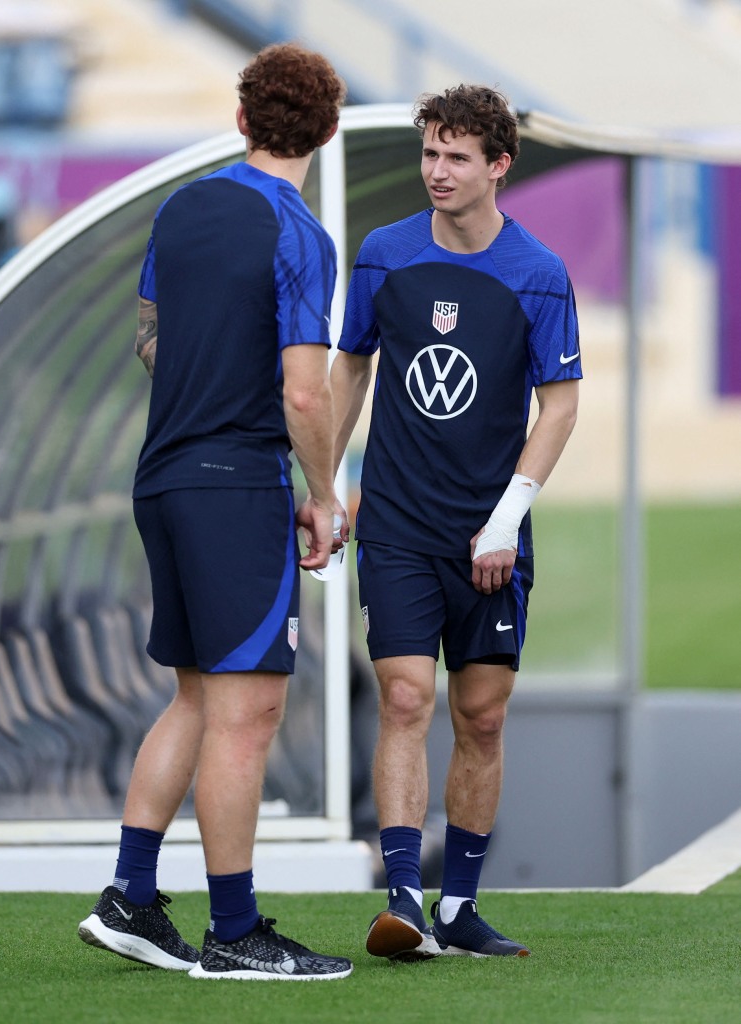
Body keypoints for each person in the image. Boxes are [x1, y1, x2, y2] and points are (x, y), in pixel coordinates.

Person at [78, 43, 352, 982]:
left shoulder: (182, 205)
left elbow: (150, 339)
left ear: (241, 122)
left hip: (163, 477)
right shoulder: (301, 235)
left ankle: (131, 898)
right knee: (248, 711)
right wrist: (324, 497)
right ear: (327, 129)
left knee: (196, 697)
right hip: (236, 487)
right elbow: (306, 396)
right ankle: (234, 934)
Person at [331, 84, 581, 961]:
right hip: (396, 524)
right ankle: (402, 897)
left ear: (498, 166)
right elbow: (348, 371)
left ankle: (457, 909)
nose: (436, 171)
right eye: (429, 153)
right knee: (406, 698)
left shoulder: (539, 272)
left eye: (456, 156)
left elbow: (559, 406)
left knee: (481, 718)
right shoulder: (382, 254)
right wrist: (325, 484)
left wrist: (506, 520)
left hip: (491, 536)